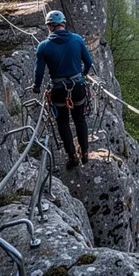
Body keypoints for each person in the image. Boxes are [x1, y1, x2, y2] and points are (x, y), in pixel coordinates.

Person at [33, 10, 94, 169]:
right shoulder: (77, 40)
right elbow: (88, 61)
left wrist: (36, 86)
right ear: (63, 24)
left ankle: (72, 155)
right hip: (78, 87)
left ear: (49, 27)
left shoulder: (43, 46)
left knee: (63, 123)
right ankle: (85, 153)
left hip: (59, 91)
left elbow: (39, 72)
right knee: (80, 120)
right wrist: (84, 74)